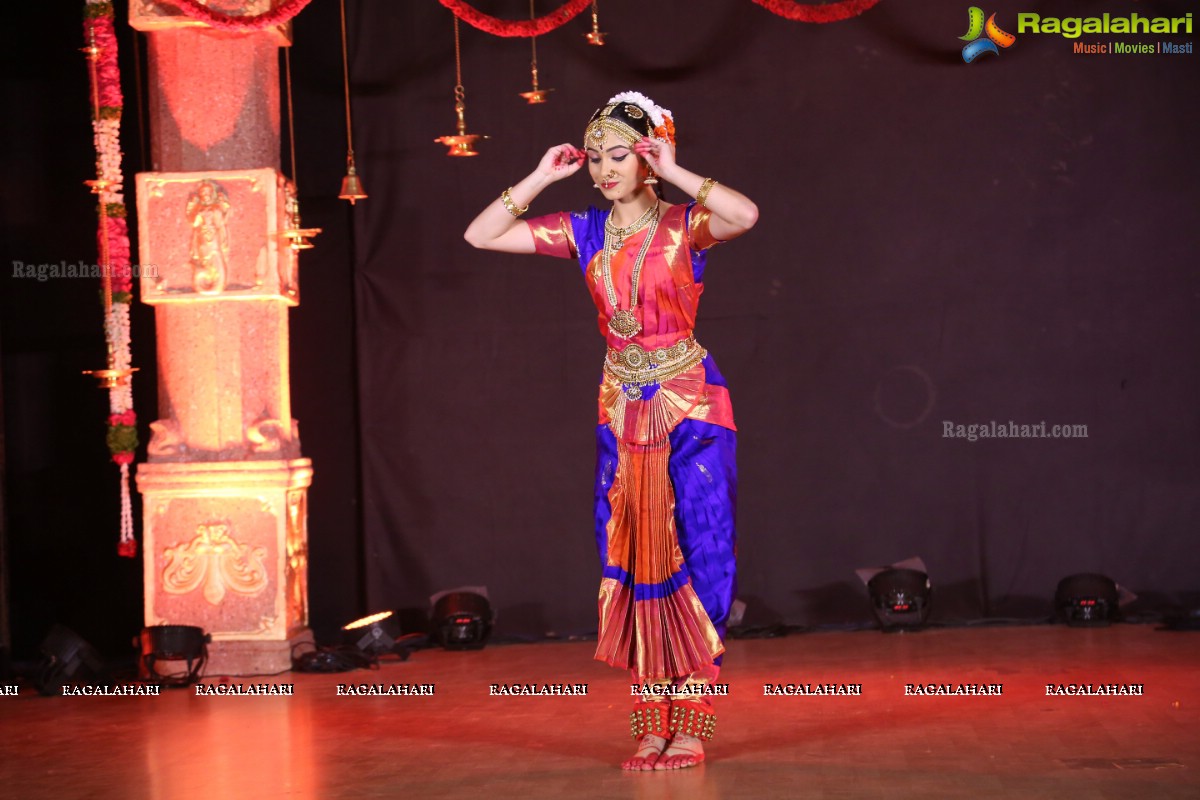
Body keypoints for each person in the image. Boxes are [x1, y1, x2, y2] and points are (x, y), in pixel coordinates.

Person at [464, 91, 757, 770]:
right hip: (620, 407)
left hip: (691, 405)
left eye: (618, 154)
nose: (602, 168)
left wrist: (677, 169)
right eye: (595, 157)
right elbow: (480, 235)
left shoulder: (688, 226)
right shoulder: (584, 231)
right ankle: (650, 718)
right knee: (627, 553)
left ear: (648, 155)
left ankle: (692, 718)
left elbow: (745, 214)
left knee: (699, 548)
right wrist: (541, 177)